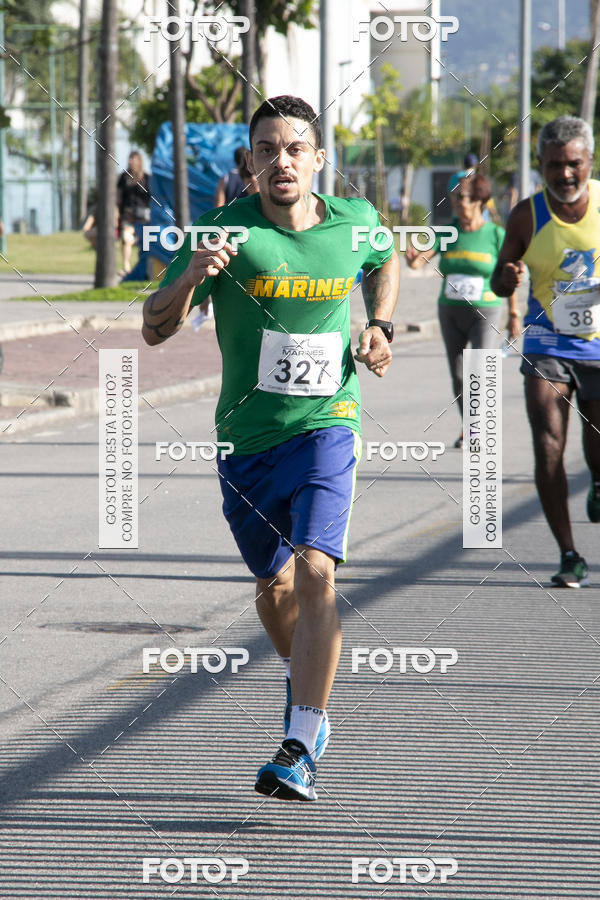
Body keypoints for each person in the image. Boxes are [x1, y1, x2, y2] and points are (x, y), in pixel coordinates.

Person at [142, 95, 400, 801]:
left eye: (294, 148)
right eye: (266, 149)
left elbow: (385, 258)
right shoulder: (226, 232)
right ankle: (307, 679)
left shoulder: (355, 223)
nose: (280, 160)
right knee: (275, 587)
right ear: (249, 162)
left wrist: (380, 324)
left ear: (319, 158)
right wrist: (194, 276)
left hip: (327, 425)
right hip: (246, 440)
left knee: (317, 570)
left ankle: (302, 739)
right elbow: (153, 330)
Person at [491, 115, 600, 588]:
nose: (565, 175)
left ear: (589, 161)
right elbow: (499, 280)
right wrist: (508, 278)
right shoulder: (526, 215)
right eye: (555, 165)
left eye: (574, 164)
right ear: (541, 165)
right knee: (548, 438)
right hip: (546, 339)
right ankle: (569, 553)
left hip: (597, 341)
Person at [406, 173, 520, 447]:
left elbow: (509, 276)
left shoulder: (495, 234)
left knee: (478, 370)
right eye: (454, 196)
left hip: (486, 310)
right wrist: (411, 257)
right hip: (450, 310)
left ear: (480, 201)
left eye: (462, 197)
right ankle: (469, 427)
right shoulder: (449, 230)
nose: (455, 201)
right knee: (458, 375)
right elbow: (419, 262)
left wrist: (514, 314)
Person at [117, 150, 150, 275]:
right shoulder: (123, 178)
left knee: (146, 243)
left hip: (144, 218)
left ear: (139, 161)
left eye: (133, 159)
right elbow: (118, 198)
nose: (130, 161)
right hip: (128, 216)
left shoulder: (146, 178)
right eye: (129, 158)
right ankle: (126, 267)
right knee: (126, 239)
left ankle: (144, 269)